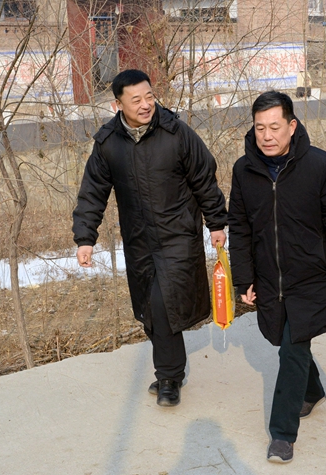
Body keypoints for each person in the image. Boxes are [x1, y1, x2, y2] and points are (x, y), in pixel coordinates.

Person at [72, 69, 227, 407]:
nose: (145, 105)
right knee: (149, 310)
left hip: (178, 235)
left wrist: (216, 222)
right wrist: (85, 238)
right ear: (118, 105)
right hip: (139, 240)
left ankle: (169, 377)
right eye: (136, 100)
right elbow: (93, 192)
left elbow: (204, 179)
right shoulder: (108, 143)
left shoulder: (176, 133)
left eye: (149, 96)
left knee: (161, 304)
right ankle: (172, 368)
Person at [227, 91, 326, 464]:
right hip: (270, 279)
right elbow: (240, 227)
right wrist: (243, 278)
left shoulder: (320, 166)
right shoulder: (244, 170)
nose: (267, 136)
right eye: (260, 128)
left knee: (292, 348)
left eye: (274, 127)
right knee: (285, 342)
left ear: (292, 126)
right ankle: (312, 391)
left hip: (312, 278)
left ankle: (282, 434)